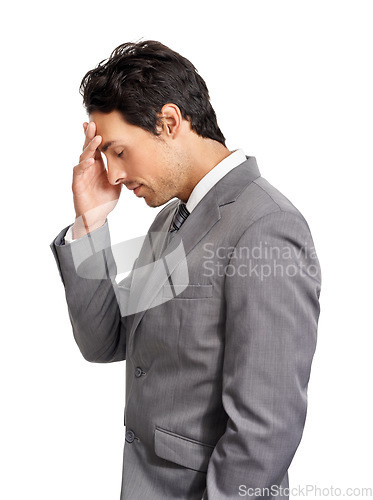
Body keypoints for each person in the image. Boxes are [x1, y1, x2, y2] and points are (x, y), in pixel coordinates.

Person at [50, 40, 322, 500]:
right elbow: (106, 340)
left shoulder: (266, 227)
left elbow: (267, 430)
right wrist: (91, 223)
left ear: (170, 122)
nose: (111, 175)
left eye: (118, 151)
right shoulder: (170, 221)